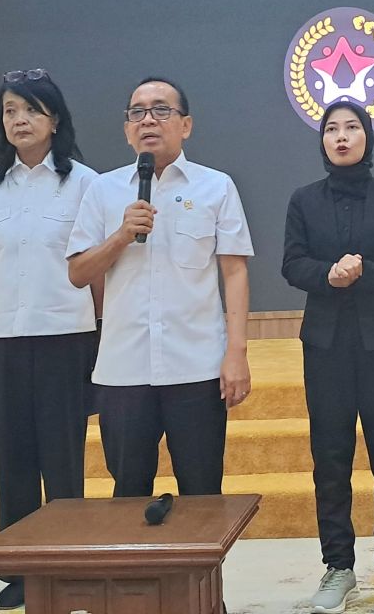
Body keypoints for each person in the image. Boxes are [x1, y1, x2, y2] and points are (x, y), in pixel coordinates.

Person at [0, 69, 99, 611]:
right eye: (11, 110)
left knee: (63, 459)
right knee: (12, 457)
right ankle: (18, 571)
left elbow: (97, 269)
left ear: (54, 119)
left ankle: (66, 565)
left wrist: (104, 336)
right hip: (2, 340)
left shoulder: (86, 183)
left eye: (31, 109)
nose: (20, 120)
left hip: (66, 336)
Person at [67, 77, 252, 503]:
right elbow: (77, 273)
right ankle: (134, 573)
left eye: (161, 110)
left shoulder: (216, 186)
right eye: (137, 112)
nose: (148, 119)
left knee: (203, 495)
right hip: (123, 371)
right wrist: (120, 237)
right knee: (129, 494)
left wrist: (237, 353)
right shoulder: (103, 189)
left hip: (197, 367)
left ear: (185, 125)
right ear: (127, 129)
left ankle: (202, 574)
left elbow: (235, 271)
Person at [282, 101, 374, 614]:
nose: (341, 137)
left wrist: (363, 273)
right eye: (332, 129)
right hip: (324, 346)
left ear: (367, 136)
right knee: (331, 459)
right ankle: (338, 566)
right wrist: (328, 276)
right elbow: (292, 264)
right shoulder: (304, 200)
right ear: (322, 140)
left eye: (352, 128)